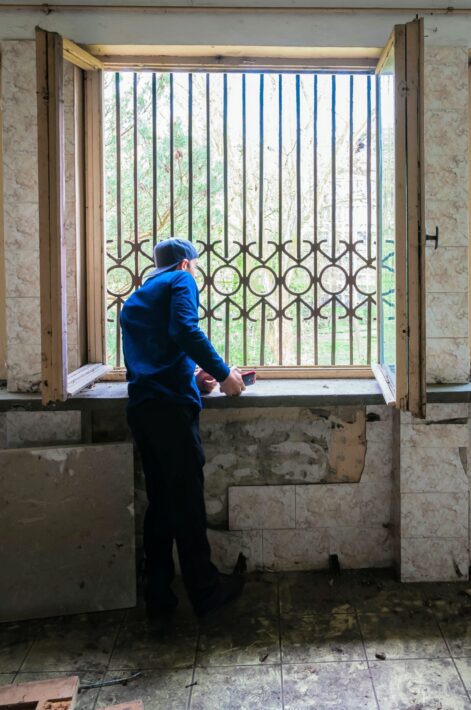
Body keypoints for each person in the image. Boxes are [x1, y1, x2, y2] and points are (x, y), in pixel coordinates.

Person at [120, 237, 246, 618]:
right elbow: (185, 330)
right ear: (186, 264)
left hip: (143, 407)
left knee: (160, 503)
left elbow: (155, 355)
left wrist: (194, 377)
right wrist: (225, 375)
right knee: (188, 502)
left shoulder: (140, 295)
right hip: (171, 412)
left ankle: (158, 596)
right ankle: (206, 595)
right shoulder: (181, 281)